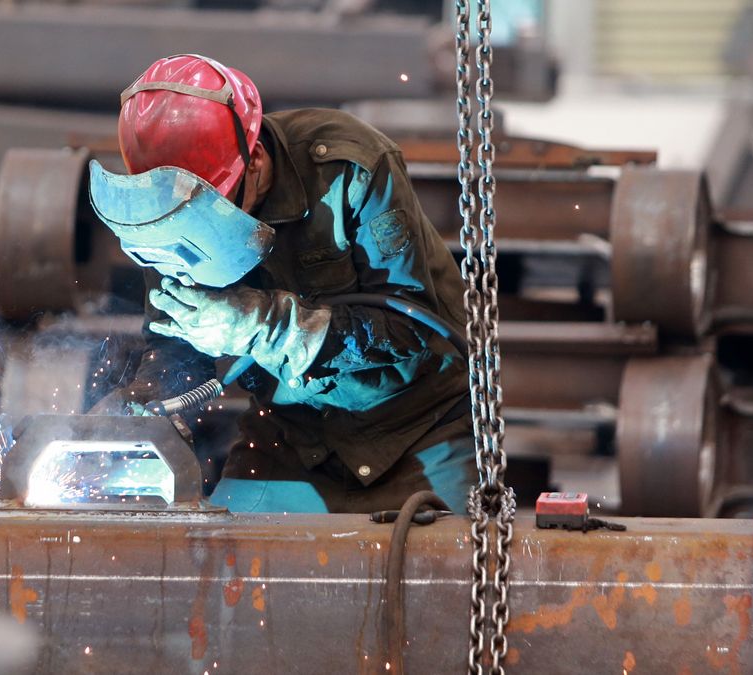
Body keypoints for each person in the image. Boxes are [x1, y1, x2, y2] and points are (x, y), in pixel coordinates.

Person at [93, 54, 473, 513]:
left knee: (440, 571)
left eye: (214, 207)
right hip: (291, 438)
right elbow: (176, 344)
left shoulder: (349, 166)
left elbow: (411, 330)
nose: (201, 227)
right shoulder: (167, 211)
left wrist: (266, 326)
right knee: (223, 571)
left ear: (252, 160)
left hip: (417, 427)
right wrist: (148, 400)